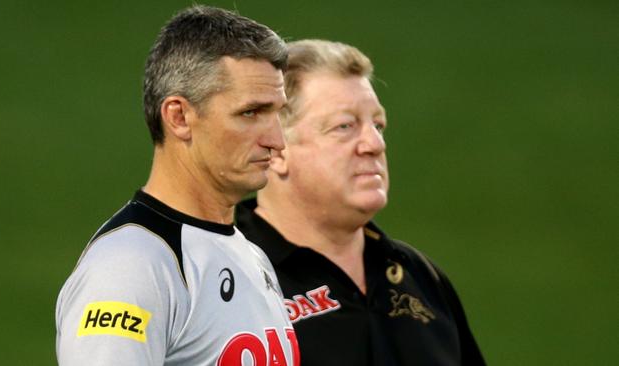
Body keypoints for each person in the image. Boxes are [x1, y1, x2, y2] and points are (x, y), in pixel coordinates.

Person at [55, 6, 300, 365]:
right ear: (179, 117)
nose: (277, 140)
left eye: (277, 113)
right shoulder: (129, 269)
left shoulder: (251, 256)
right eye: (250, 113)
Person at [236, 39, 485, 365]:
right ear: (277, 148)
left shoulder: (420, 277)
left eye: (377, 125)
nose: (374, 144)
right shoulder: (222, 274)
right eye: (345, 126)